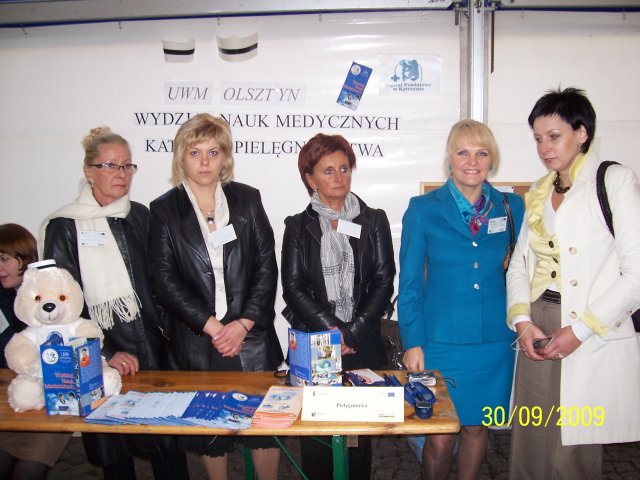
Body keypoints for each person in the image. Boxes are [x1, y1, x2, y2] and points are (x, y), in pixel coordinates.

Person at [506, 87, 640, 479]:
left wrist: (580, 331)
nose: (544, 148)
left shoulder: (613, 180)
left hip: (590, 323)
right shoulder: (539, 190)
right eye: (537, 139)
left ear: (581, 133)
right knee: (530, 437)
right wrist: (522, 322)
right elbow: (519, 265)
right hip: (538, 319)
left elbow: (636, 274)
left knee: (571, 450)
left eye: (554, 136)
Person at [42, 127, 188, 480]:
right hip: (103, 354)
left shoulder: (140, 215)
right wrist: (104, 353)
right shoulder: (65, 225)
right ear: (89, 171)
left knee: (167, 444)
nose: (121, 173)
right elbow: (60, 305)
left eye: (127, 165)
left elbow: (160, 279)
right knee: (115, 450)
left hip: (154, 348)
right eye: (110, 165)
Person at [148, 113, 283, 480]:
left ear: (225, 157)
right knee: (210, 434)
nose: (205, 162)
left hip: (251, 338)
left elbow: (266, 265)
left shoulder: (247, 199)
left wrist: (244, 322)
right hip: (199, 341)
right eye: (195, 152)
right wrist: (213, 327)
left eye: (213, 152)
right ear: (181, 157)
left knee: (264, 430)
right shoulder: (164, 210)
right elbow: (164, 281)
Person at [398, 120, 524, 480]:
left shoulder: (511, 206)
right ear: (449, 158)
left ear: (491, 160)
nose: (472, 161)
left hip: (493, 342)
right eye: (463, 152)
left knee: (476, 428)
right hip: (439, 342)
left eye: (481, 153)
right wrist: (413, 341)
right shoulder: (423, 209)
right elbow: (409, 282)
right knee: (439, 438)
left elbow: (525, 268)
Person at [281, 133, 396, 480]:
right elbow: (293, 288)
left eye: (344, 169)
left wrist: (352, 332)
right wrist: (332, 332)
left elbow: (384, 280)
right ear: (310, 179)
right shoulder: (297, 226)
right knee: (316, 433)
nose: (338, 178)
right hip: (316, 343)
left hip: (362, 342)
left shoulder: (373, 220)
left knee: (358, 434)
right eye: (327, 171)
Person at [0, 223, 72, 480]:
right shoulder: (3, 296)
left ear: (25, 257)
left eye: (4, 259)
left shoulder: (51, 293)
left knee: (26, 472)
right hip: (10, 398)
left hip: (53, 394)